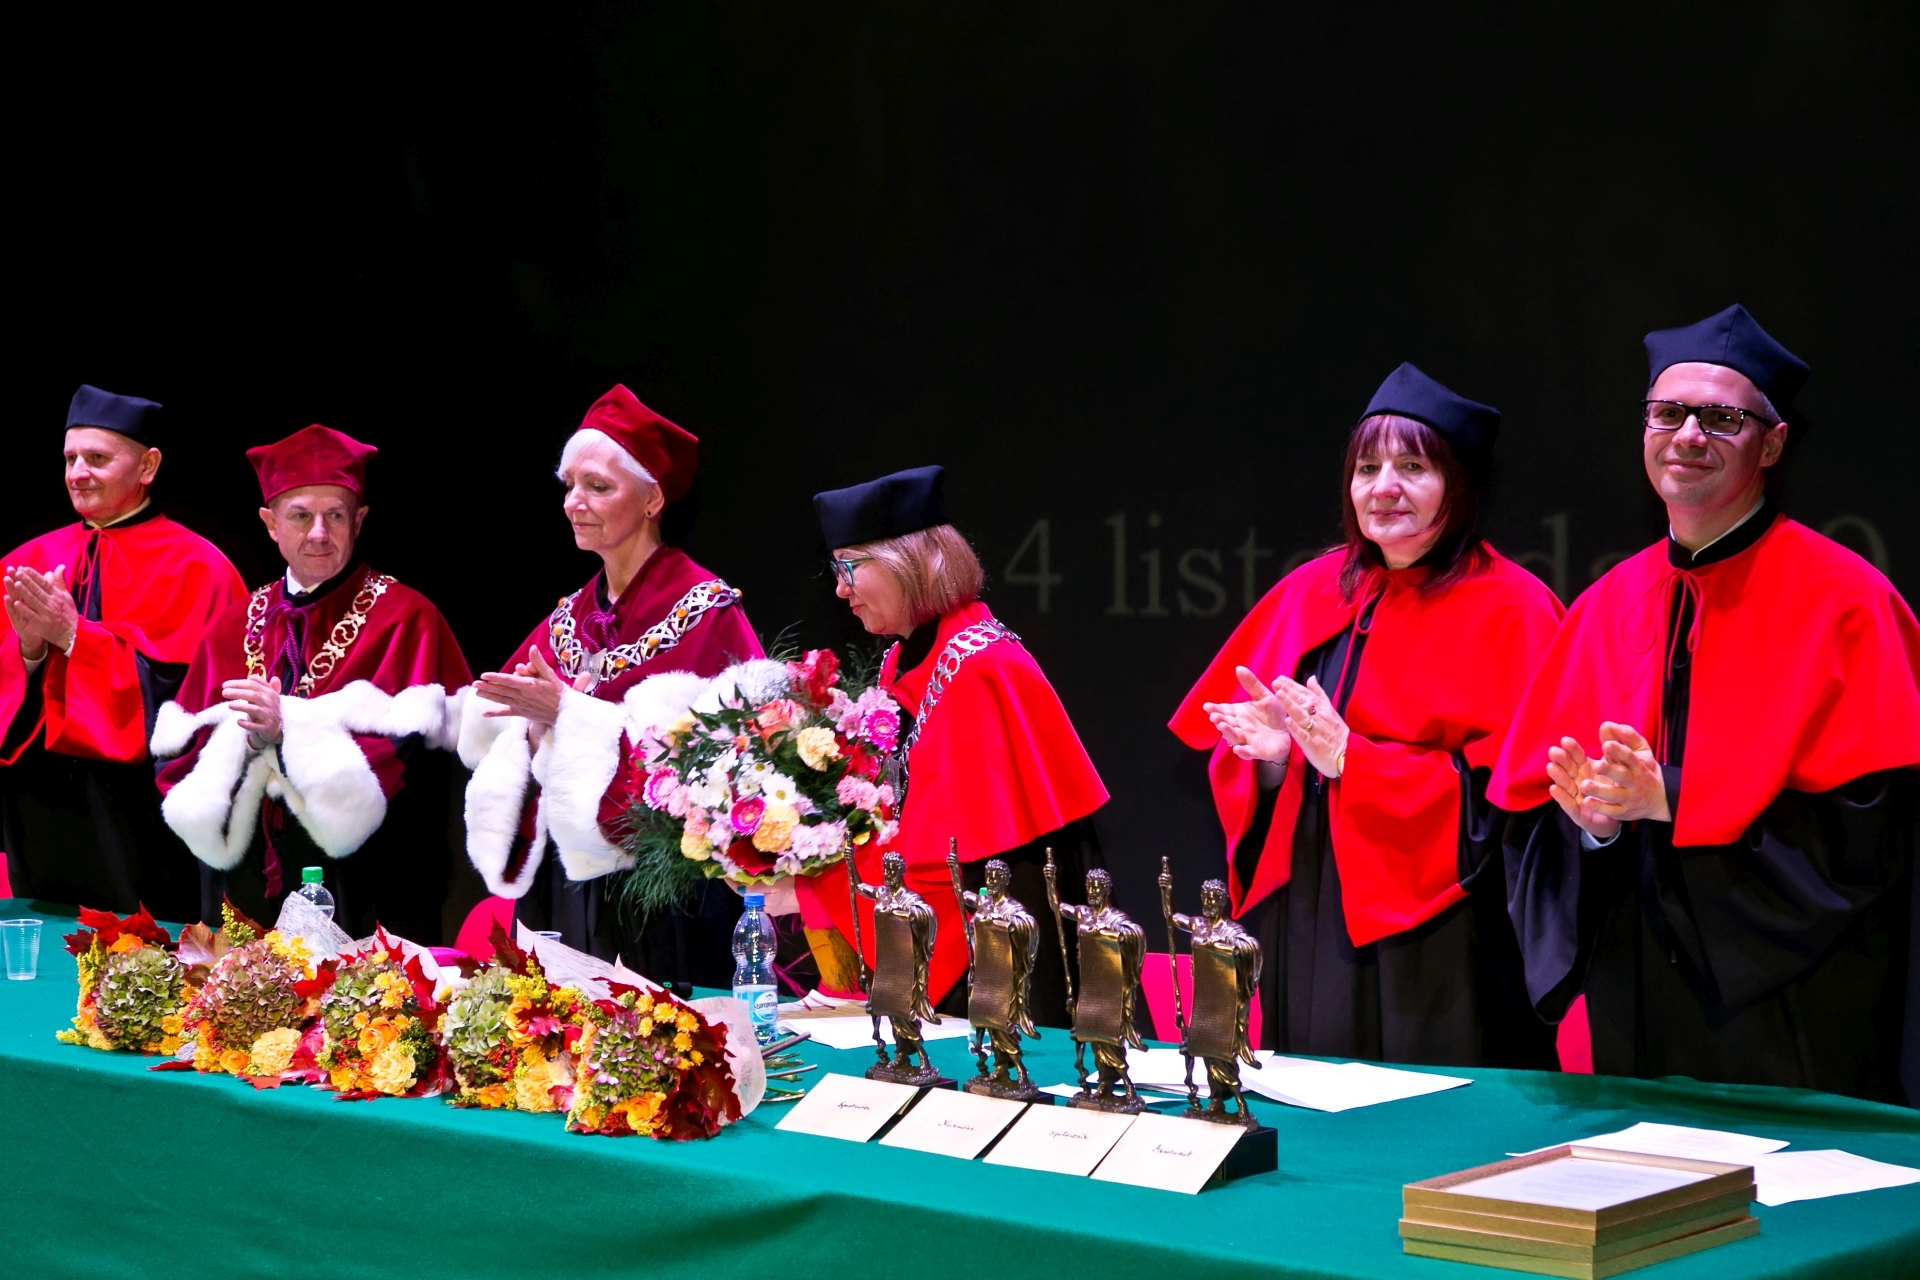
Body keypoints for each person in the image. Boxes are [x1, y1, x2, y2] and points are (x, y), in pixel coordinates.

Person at [1491, 305, 1920, 1104]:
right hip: (1633, 1000)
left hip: (1783, 1011)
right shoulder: (1604, 604)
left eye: (1721, 418)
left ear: (1772, 444)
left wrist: (1674, 797)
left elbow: (1872, 832)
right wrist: (1594, 825)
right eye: (1668, 413)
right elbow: (1533, 827)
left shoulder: (1847, 602)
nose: (1687, 435)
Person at [1170, 364, 1562, 1069]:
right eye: (1366, 468)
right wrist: (1275, 762)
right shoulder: (1312, 591)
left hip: (1447, 935)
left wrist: (1355, 761)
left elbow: (1521, 811)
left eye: (1413, 467)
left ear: (1459, 485)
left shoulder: (1516, 609)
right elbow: (1263, 784)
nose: (1383, 488)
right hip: (1316, 917)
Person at [458, 385, 762, 974]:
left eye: (598, 486)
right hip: (569, 883)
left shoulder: (705, 610)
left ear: (652, 500)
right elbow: (497, 721)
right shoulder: (571, 616)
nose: (575, 502)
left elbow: (731, 756)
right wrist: (532, 724)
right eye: (570, 485)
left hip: (665, 891)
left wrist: (567, 714)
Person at [801, 465, 1108, 1024]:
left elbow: (973, 849)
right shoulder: (906, 656)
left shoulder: (983, 665)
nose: (840, 589)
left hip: (1003, 929)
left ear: (907, 561)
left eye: (849, 567)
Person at [151, 425, 471, 940]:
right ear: (270, 524)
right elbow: (179, 755)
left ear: (359, 521)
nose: (319, 533)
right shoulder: (233, 624)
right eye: (301, 515)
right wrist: (244, 745)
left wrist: (286, 733)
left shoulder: (406, 618)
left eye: (335, 516)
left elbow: (402, 762)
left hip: (371, 885)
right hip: (251, 881)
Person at [1, 386, 245, 917]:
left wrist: (75, 637)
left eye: (96, 458)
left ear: (148, 466)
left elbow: (196, 704)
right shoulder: (29, 558)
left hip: (138, 815)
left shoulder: (200, 567)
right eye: (70, 459)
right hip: (41, 807)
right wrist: (30, 650)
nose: (78, 473)